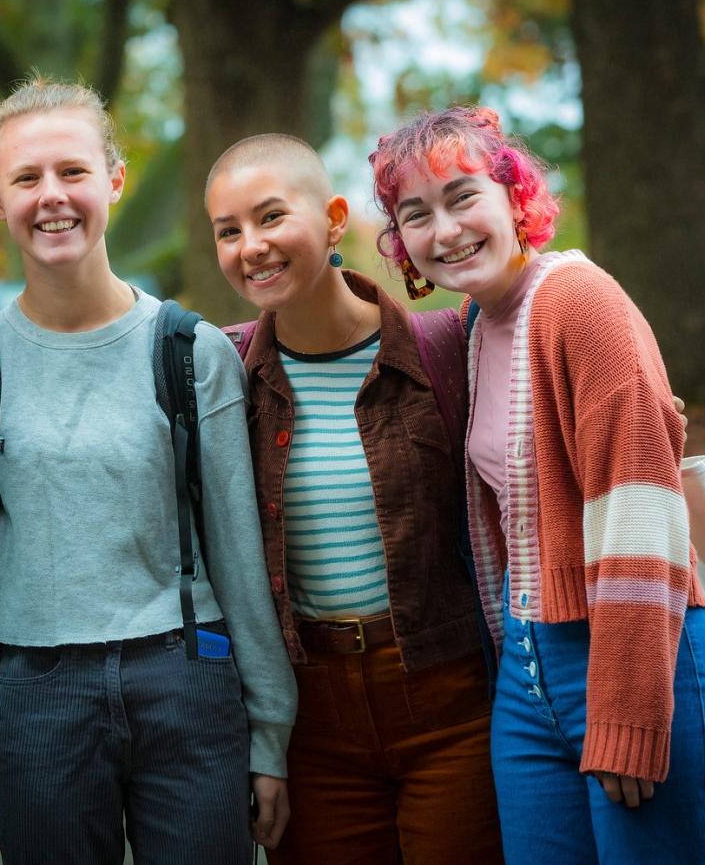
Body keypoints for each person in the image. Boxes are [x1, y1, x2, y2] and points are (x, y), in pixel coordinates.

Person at [0, 78, 297, 865]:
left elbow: (238, 553)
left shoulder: (189, 351)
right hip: (38, 698)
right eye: (26, 178)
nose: (52, 196)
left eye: (73, 171)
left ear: (115, 180)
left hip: (187, 679)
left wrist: (270, 734)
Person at [370, 106, 705, 863]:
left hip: (640, 658)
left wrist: (628, 709)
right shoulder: (475, 325)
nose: (445, 231)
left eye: (463, 196)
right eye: (416, 215)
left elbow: (640, 509)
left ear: (514, 196)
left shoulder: (578, 302)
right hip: (529, 679)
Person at [204, 134, 503, 863]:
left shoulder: (449, 348)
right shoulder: (222, 372)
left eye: (272, 218)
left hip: (448, 701)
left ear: (335, 217)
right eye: (229, 231)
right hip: (311, 717)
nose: (253, 247)